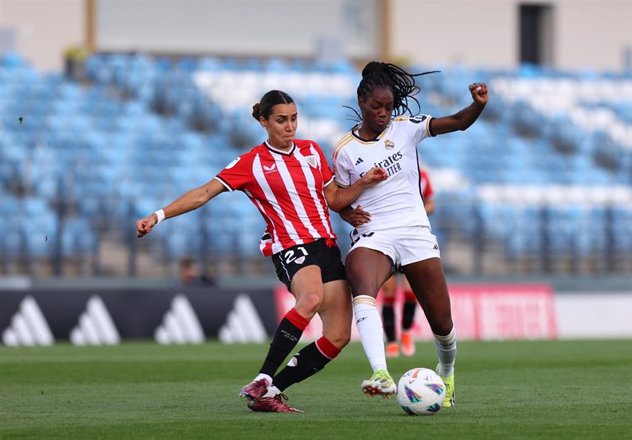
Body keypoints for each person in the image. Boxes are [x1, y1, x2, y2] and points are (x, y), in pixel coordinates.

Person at [136, 89, 387, 413]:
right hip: (291, 246)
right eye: (281, 120)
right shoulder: (252, 163)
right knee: (309, 299)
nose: (290, 126)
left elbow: (333, 199)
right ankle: (264, 376)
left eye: (294, 118)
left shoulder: (311, 151)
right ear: (263, 121)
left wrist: (361, 186)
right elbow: (203, 193)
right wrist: (158, 215)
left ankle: (271, 391)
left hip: (326, 247)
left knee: (338, 336)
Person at [332, 61, 488, 407]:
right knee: (360, 282)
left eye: (389, 107)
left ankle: (446, 374)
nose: (384, 113)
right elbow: (337, 197)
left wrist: (477, 105)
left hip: (415, 231)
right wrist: (346, 212)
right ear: (361, 102)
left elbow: (458, 123)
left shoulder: (407, 128)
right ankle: (380, 374)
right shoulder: (344, 150)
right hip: (374, 233)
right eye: (377, 106)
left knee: (442, 323)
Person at [380, 167, 435, 358]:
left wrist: (417, 211)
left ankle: (406, 332)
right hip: (386, 239)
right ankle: (391, 341)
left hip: (410, 239)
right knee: (388, 292)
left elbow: (431, 204)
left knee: (410, 291)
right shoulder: (387, 172)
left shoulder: (422, 176)